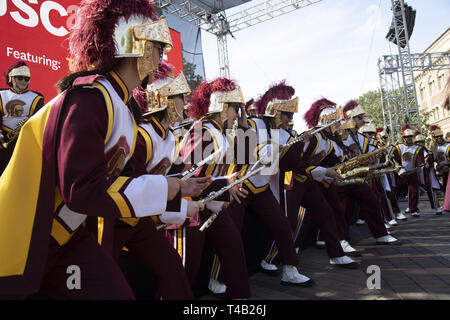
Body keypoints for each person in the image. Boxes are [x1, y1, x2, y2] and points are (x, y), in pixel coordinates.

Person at [0, 0, 185, 299]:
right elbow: (82, 189)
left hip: (69, 238)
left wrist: (176, 192)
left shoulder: (121, 105)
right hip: (26, 236)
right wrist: (165, 187)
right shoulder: (91, 97)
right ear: (135, 44)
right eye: (157, 46)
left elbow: (115, 183)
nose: (161, 56)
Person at [180, 78, 252, 299]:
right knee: (187, 267)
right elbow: (191, 178)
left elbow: (244, 160)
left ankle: (239, 298)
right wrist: (225, 184)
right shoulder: (203, 131)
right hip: (192, 208)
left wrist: (244, 126)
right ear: (222, 106)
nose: (237, 114)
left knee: (233, 246)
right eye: (236, 109)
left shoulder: (220, 132)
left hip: (211, 204)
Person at [0, 61, 44, 175]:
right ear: (11, 78)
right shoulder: (1, 94)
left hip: (23, 139)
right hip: (2, 139)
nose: (24, 81)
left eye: (26, 79)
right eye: (20, 78)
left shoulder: (36, 98)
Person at [390, 124, 425, 218]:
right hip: (401, 174)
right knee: (396, 191)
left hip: (412, 173)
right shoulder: (398, 147)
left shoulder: (418, 148)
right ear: (403, 138)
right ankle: (394, 210)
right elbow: (394, 159)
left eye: (410, 136)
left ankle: (413, 209)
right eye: (407, 137)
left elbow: (420, 159)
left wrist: (420, 165)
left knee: (414, 191)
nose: (409, 138)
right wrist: (399, 168)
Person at [414, 130, 442, 215]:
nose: (420, 144)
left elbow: (429, 162)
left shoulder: (428, 152)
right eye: (418, 142)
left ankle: (436, 206)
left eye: (422, 142)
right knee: (413, 191)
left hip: (426, 173)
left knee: (431, 189)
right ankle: (413, 208)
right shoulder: (413, 152)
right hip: (414, 173)